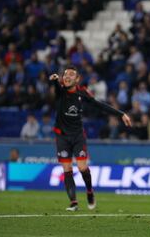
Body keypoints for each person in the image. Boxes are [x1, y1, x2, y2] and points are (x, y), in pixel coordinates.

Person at [49, 66, 132, 211]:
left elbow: (99, 105)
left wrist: (121, 114)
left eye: (71, 75)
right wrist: (54, 81)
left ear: (77, 79)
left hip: (77, 136)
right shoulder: (60, 91)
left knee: (82, 168)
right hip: (61, 136)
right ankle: (74, 202)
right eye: (65, 75)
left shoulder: (82, 93)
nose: (67, 77)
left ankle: (89, 191)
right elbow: (56, 88)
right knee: (67, 169)